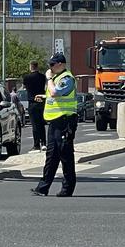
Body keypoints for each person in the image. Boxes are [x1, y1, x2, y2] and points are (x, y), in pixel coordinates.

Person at [31, 52, 78, 198]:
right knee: (51, 155)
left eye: (52, 64)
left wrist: (49, 79)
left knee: (65, 155)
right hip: (54, 122)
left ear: (60, 64)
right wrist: (44, 96)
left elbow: (55, 93)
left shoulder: (67, 78)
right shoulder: (58, 77)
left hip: (65, 121)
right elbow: (53, 96)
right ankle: (42, 188)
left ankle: (67, 188)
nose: (50, 67)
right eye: (49, 65)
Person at [22, 61, 48, 151]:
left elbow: (24, 87)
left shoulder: (27, 77)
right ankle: (44, 143)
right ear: (37, 67)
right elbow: (45, 87)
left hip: (32, 102)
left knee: (34, 124)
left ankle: (36, 145)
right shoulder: (42, 77)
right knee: (41, 124)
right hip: (41, 102)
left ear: (31, 67)